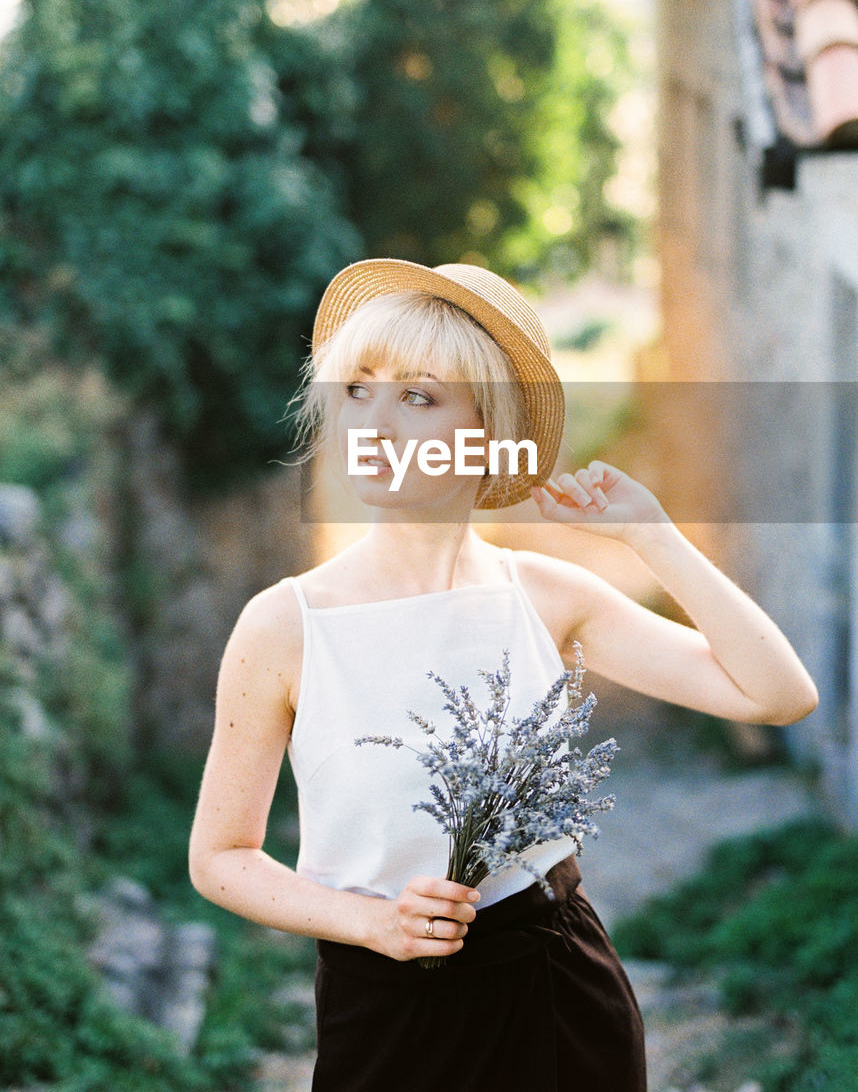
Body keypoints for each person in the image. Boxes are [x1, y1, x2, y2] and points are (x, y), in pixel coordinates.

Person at [188, 258, 818, 1092]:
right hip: (388, 1012)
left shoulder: (546, 598)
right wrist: (372, 923)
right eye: (359, 388)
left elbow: (778, 696)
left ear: (485, 430)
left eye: (419, 396)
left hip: (557, 992)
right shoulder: (285, 625)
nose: (375, 420)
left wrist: (654, 537)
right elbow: (221, 855)